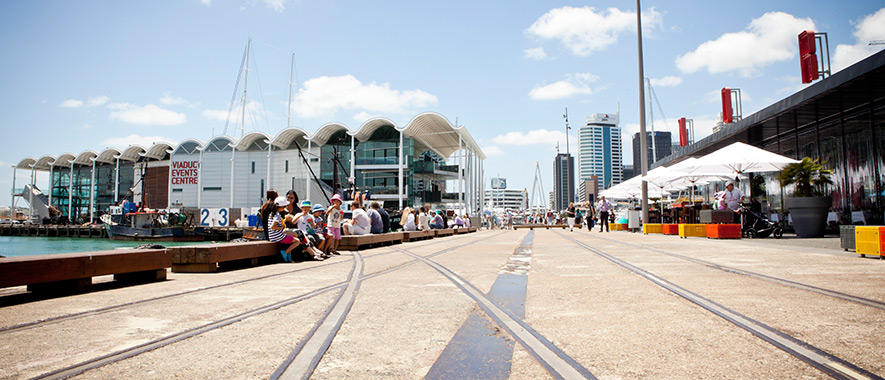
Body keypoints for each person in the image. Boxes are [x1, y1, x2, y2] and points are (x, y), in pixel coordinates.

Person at [267, 196, 301, 262]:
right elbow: (273, 226)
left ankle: (289, 256)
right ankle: (285, 252)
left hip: (273, 236)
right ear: (282, 207)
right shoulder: (277, 215)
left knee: (293, 235)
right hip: (278, 236)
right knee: (297, 241)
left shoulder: (272, 213)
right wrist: (281, 227)